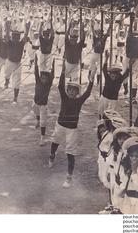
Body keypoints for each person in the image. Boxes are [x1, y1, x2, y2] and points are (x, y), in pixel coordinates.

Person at [48, 60, 95, 188]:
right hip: (60, 125)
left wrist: (91, 80)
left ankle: (69, 177)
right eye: (70, 90)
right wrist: (63, 71)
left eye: (74, 91)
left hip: (72, 130)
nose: (71, 92)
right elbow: (60, 86)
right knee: (55, 141)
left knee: (70, 151)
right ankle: (52, 156)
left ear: (77, 92)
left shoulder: (79, 101)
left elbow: (88, 93)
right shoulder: (64, 96)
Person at [3, 17, 28, 104]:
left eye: (17, 36)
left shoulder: (21, 43)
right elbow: (6, 37)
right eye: (14, 36)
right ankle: (6, 82)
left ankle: (15, 98)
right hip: (9, 62)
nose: (15, 38)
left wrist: (27, 29)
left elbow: (25, 37)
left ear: (18, 37)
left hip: (18, 64)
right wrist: (6, 28)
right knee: (7, 74)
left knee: (17, 81)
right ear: (12, 37)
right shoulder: (10, 42)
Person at [98, 52, 129, 117]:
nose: (114, 75)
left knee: (111, 116)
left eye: (116, 74)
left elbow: (126, 74)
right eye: (112, 74)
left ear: (118, 75)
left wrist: (129, 65)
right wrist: (106, 58)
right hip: (104, 98)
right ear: (110, 74)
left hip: (113, 100)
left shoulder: (119, 79)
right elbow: (104, 69)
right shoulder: (107, 77)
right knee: (101, 113)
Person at [33, 54, 55, 146]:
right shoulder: (38, 80)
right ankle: (37, 121)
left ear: (48, 79)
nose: (43, 80)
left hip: (43, 105)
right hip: (35, 103)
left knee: (43, 121)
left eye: (45, 79)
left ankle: (42, 138)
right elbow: (36, 72)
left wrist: (53, 65)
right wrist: (36, 62)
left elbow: (53, 75)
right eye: (42, 78)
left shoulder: (48, 84)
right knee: (36, 112)